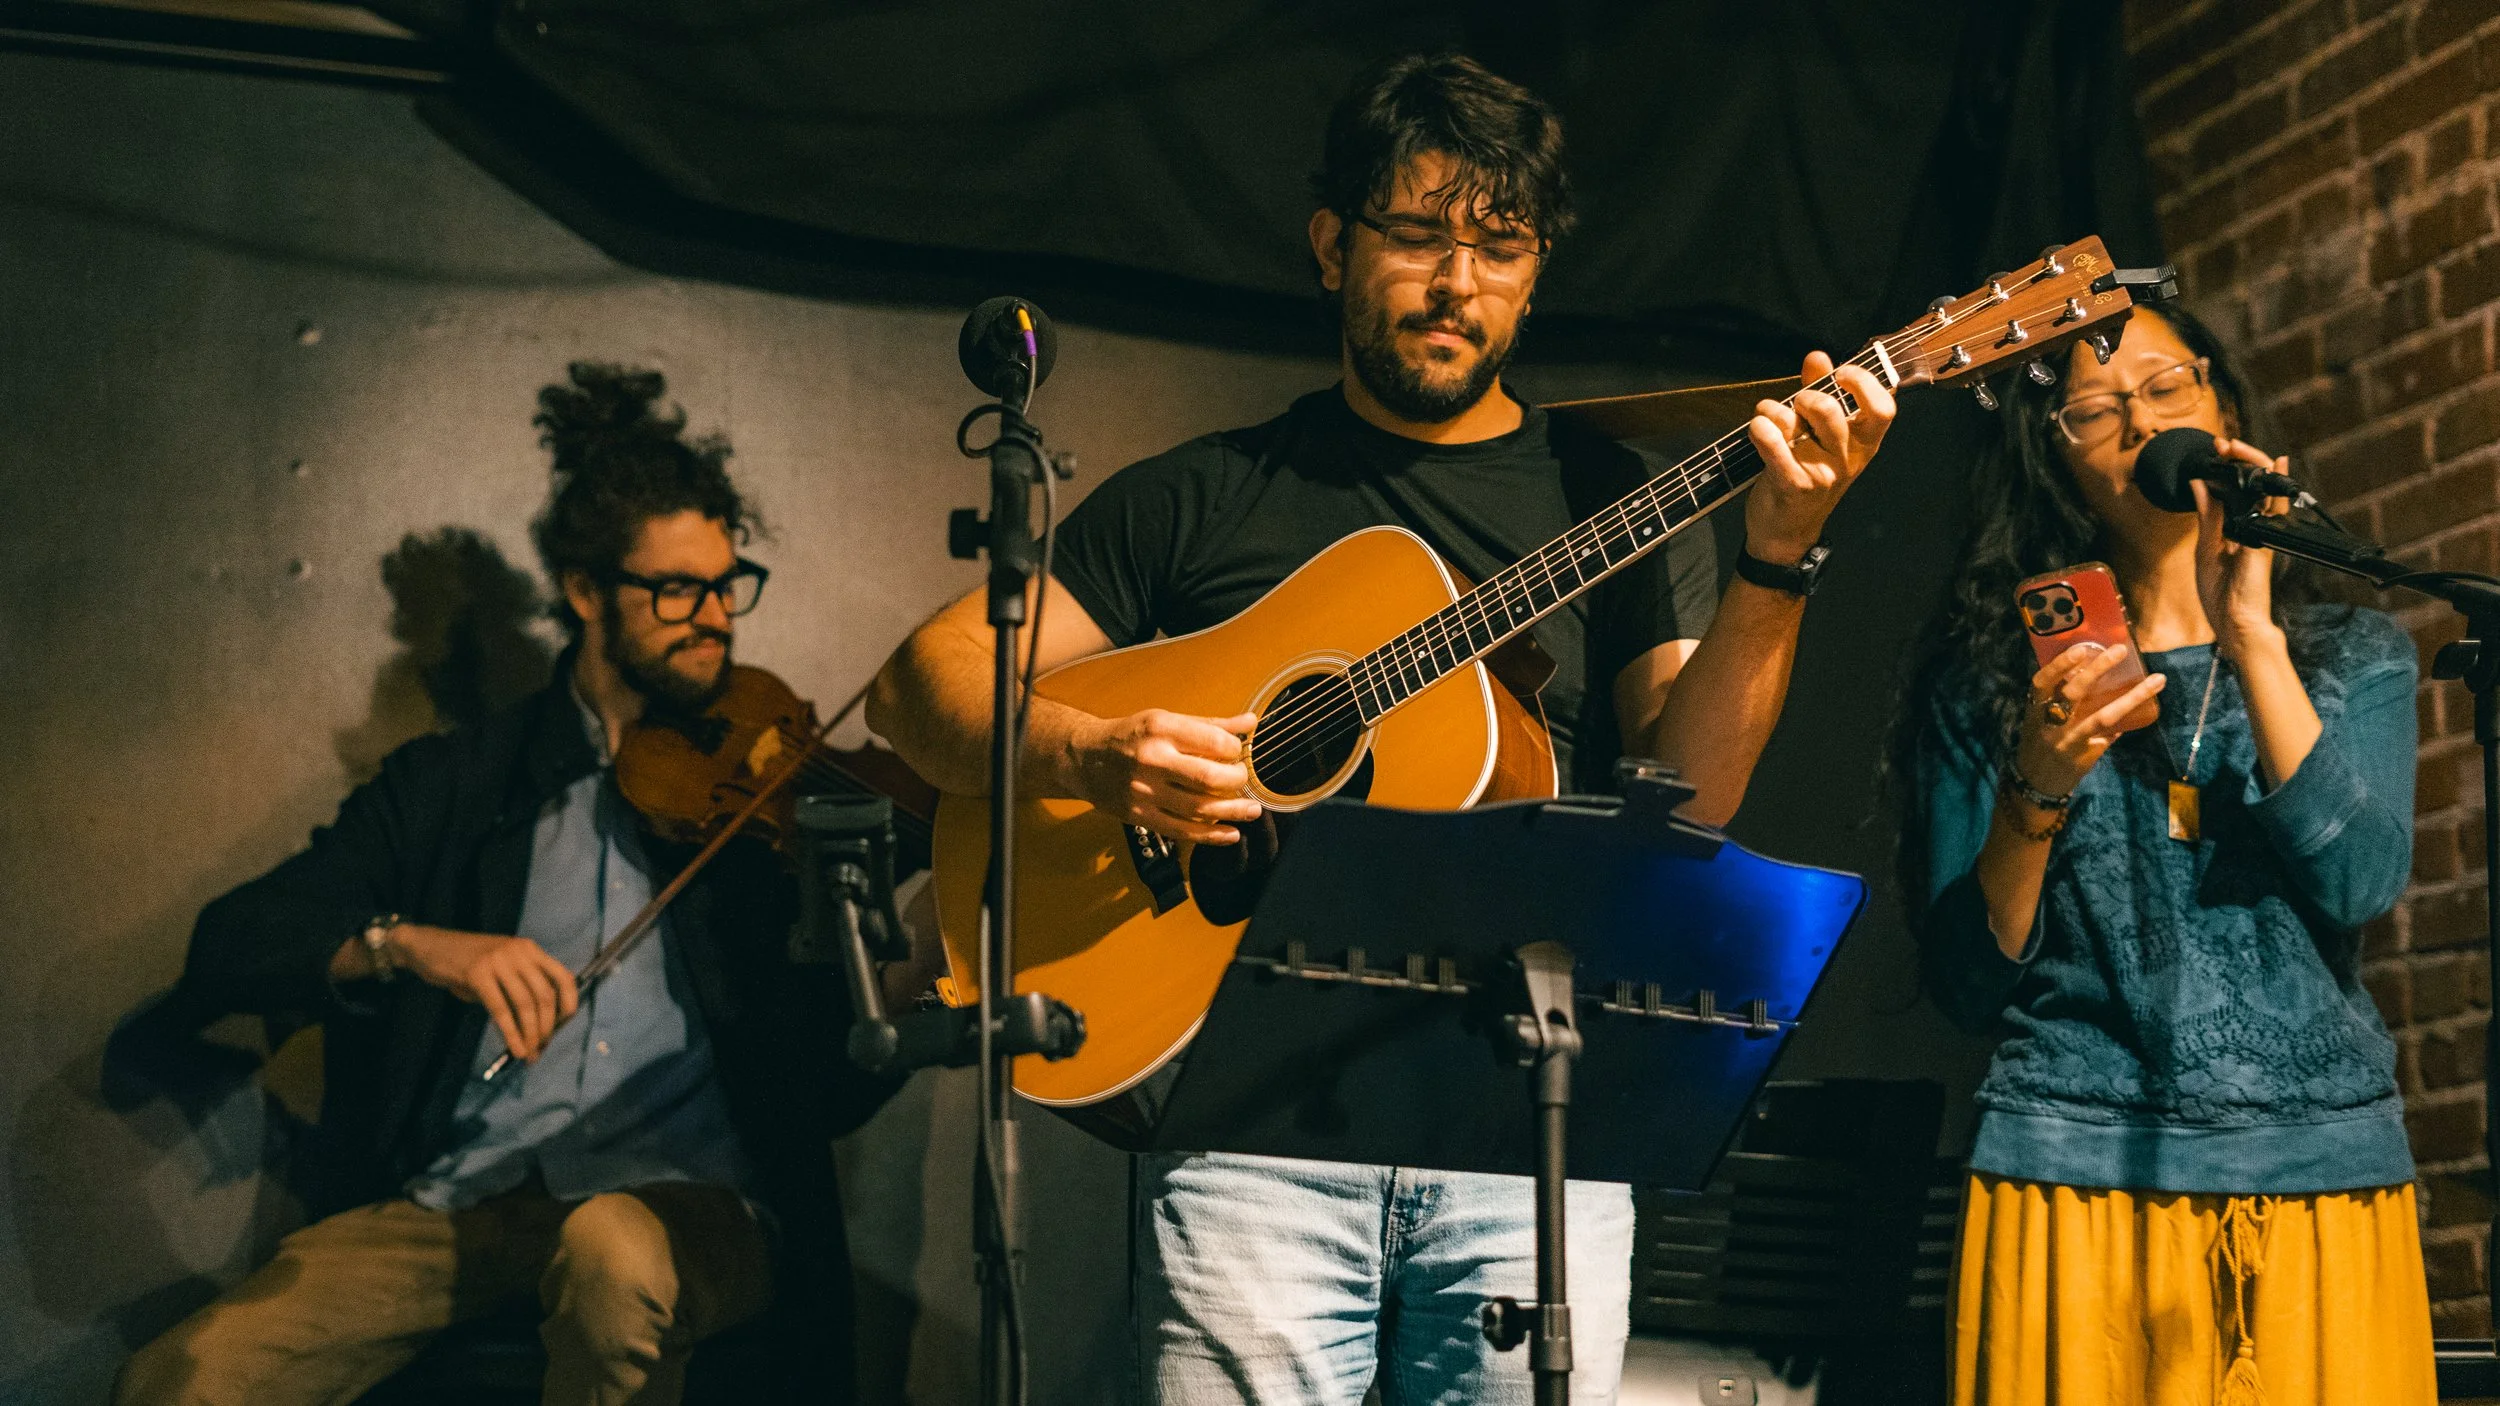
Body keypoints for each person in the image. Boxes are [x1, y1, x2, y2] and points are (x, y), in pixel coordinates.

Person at [869, 52, 1896, 1404]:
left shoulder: (1614, 498)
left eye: (1498, 245)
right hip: (1253, 1142)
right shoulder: (1202, 499)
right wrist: (1093, 752)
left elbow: (1690, 803)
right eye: (1415, 235)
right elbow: (915, 691)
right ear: (1332, 246)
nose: (1454, 281)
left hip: (1528, 1118)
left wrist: (1777, 558)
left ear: (1533, 275)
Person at [117, 364, 895, 1406]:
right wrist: (412, 943)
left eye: (726, 584)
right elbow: (234, 940)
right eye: (676, 591)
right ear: (585, 593)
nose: (715, 618)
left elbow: (833, 1085)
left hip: (689, 1203)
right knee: (184, 1377)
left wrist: (905, 957)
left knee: (612, 1256)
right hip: (469, 1198)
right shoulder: (458, 784)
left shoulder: (762, 803)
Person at [1894, 303, 2436, 1405]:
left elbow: (2359, 881)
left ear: (2224, 411)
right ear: (2054, 454)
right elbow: (1967, 973)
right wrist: (2039, 775)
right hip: (2072, 1163)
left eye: (2166, 386)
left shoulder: (2349, 649)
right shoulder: (1995, 674)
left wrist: (2252, 635)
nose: (2138, 418)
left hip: (2320, 1168)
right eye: (2093, 407)